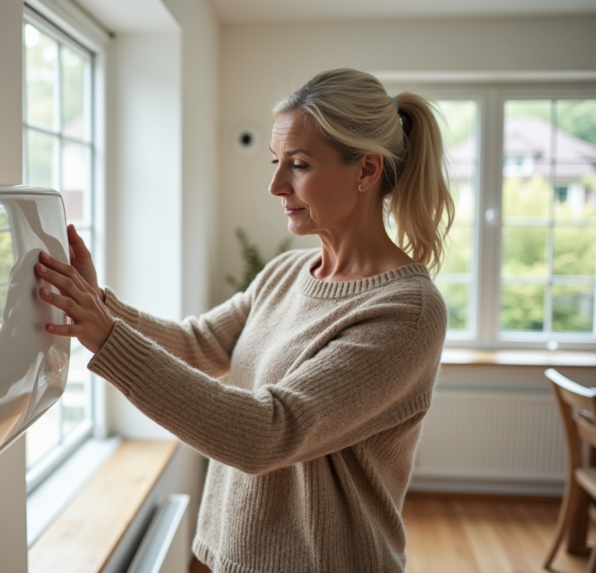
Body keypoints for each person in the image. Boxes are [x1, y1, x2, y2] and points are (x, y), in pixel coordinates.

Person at [34, 68, 454, 572]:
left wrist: (109, 339)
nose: (276, 185)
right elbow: (198, 344)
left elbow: (267, 432)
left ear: (366, 170)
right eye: (277, 162)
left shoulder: (406, 312)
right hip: (232, 557)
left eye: (299, 165)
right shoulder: (285, 272)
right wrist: (99, 306)